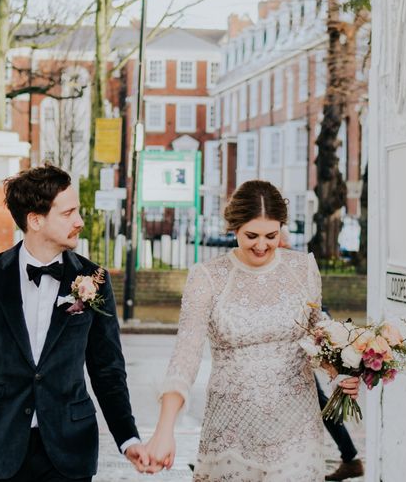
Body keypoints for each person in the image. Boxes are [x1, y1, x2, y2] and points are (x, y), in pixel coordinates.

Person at [0, 164, 152, 482]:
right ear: (35, 220)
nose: (79, 222)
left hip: (70, 446)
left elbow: (107, 370)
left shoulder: (95, 280)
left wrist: (128, 438)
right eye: (68, 214)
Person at [145, 180, 359, 482]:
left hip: (296, 430)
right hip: (231, 430)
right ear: (234, 228)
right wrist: (164, 430)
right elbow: (185, 357)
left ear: (282, 227)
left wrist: (339, 372)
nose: (261, 245)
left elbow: (317, 341)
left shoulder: (303, 270)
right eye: (251, 236)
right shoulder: (207, 278)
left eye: (271, 235)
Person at [278, 229, 364, 480]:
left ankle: (349, 457)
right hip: (284, 360)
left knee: (320, 404)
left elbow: (319, 313)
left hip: (297, 360)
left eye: (281, 242)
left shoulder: (298, 272)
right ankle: (350, 457)